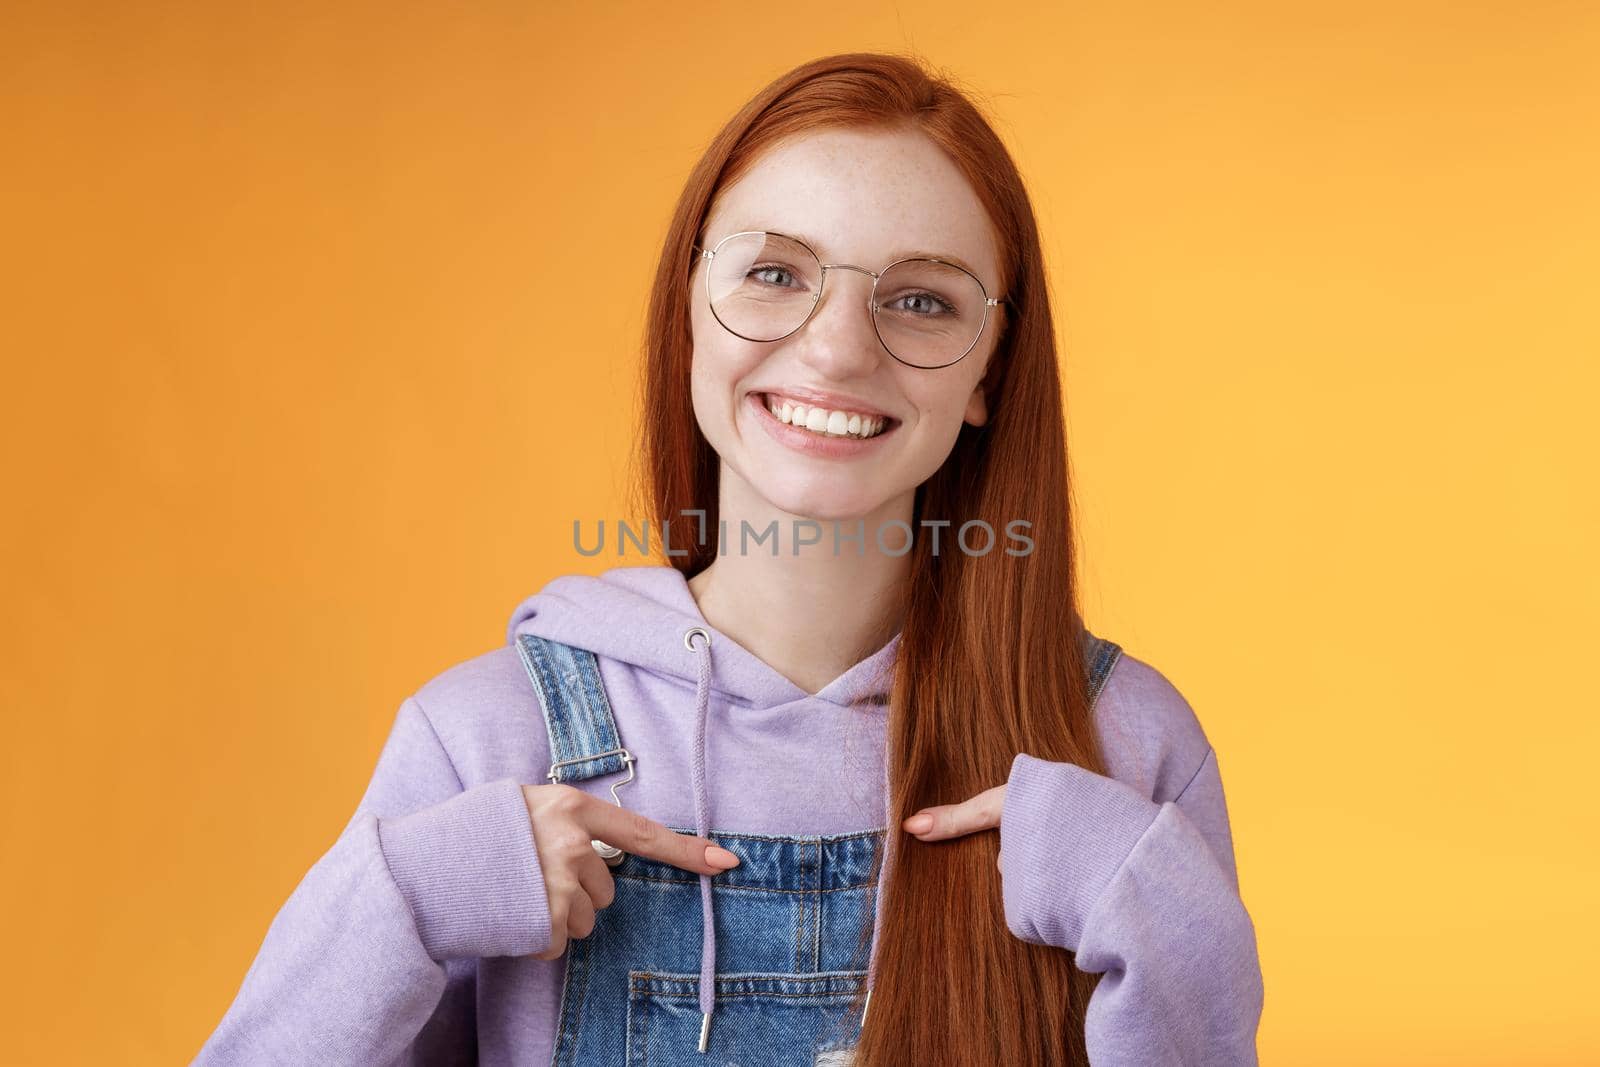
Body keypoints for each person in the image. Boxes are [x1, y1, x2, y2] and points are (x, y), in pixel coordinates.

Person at [195, 51, 1264, 1066]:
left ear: (989, 372)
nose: (839, 345)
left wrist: (1163, 923)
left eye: (923, 298)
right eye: (772, 272)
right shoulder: (486, 735)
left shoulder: (1119, 744)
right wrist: (408, 898)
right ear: (688, 316)